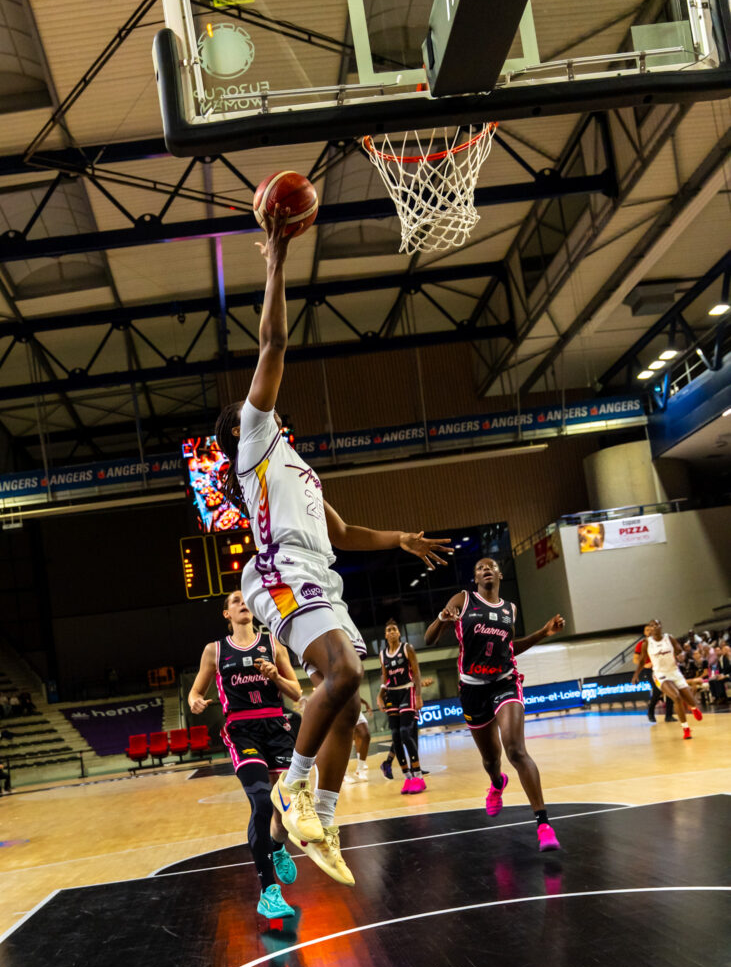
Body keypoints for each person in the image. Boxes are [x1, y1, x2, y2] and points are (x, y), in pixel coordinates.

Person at [213, 207, 450, 888]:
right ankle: (291, 785)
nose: (267, 405)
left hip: (320, 573)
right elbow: (273, 343)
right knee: (342, 670)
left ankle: (321, 819)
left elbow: (344, 534)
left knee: (347, 702)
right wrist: (278, 262)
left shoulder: (300, 469)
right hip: (280, 570)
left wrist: (399, 538)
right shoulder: (255, 442)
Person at [425, 558, 564, 852]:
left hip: (505, 681)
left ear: (499, 574)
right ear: (475, 578)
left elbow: (510, 648)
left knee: (515, 749)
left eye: (491, 566)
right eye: (480, 568)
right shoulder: (463, 600)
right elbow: (429, 638)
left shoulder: (509, 609)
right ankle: (497, 782)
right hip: (472, 689)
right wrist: (442, 618)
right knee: (491, 760)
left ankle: (543, 824)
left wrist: (543, 633)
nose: (486, 569)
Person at [189, 590, 302, 920]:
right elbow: (195, 692)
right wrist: (195, 701)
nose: (242, 603)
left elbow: (296, 692)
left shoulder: (273, 644)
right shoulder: (215, 650)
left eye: (245, 600)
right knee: (262, 802)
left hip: (277, 726)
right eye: (235, 601)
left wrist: (275, 676)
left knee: (284, 807)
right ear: (226, 614)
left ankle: (277, 846)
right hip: (241, 730)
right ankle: (268, 892)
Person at [631, 620, 703, 739]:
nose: (655, 627)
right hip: (660, 674)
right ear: (650, 629)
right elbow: (642, 660)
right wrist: (636, 674)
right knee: (676, 697)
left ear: (661, 626)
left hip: (674, 672)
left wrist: (679, 652)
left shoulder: (669, 638)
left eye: (657, 624)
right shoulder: (646, 643)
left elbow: (679, 650)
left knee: (690, 699)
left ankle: (694, 707)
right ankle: (686, 729)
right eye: (652, 626)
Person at [377, 620, 425, 793]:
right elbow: (384, 677)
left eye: (394, 629)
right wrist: (380, 695)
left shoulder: (407, 648)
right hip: (392, 694)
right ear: (385, 635)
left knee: (405, 732)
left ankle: (418, 775)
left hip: (407, 690)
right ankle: (407, 777)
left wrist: (418, 695)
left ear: (399, 633)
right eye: (388, 630)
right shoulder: (382, 654)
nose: (391, 632)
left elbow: (416, 672)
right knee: (396, 736)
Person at [634, 623, 673, 723]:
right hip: (650, 670)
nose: (650, 631)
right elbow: (635, 659)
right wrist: (644, 665)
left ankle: (669, 716)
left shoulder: (661, 642)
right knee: (657, 690)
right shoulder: (641, 644)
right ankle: (650, 712)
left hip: (663, 668)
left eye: (651, 629)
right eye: (647, 630)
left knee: (670, 689)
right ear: (644, 633)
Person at [342, 699, 372, 783]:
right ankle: (344, 774)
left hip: (355, 710)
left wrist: (366, 703)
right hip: (341, 711)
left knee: (366, 735)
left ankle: (360, 769)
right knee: (344, 743)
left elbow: (355, 694)